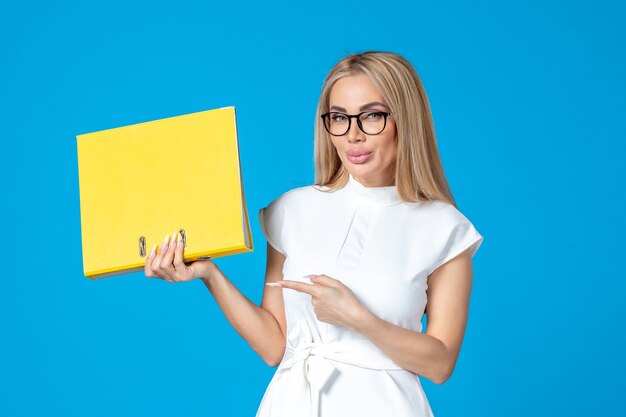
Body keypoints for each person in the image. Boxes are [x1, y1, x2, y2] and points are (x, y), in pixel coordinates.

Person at [144, 50, 484, 417]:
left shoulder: (444, 228)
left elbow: (441, 364)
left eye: (372, 116)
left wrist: (358, 317)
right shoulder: (293, 210)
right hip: (291, 403)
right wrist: (209, 274)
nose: (353, 135)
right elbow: (275, 346)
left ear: (406, 120)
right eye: (339, 118)